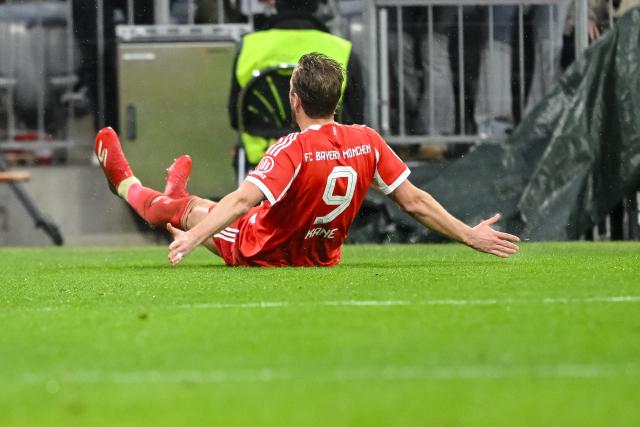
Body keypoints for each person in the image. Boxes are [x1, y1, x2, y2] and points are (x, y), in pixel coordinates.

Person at [95, 53, 520, 267]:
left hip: (261, 250)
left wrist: (191, 236)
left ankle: (125, 183)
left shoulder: (291, 149)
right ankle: (177, 196)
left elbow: (242, 203)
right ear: (335, 100)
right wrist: (469, 235)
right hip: (320, 256)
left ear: (294, 99)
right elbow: (415, 201)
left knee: (178, 212)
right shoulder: (367, 140)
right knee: (217, 207)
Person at [228, 0, 364, 167]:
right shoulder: (342, 50)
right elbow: (355, 120)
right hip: (325, 159)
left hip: (264, 160)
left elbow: (235, 118)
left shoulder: (248, 47)